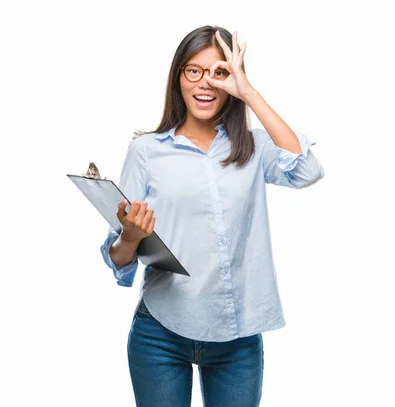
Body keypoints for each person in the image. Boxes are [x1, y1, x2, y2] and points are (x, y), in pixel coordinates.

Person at [99, 25, 324, 406]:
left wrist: (249, 92)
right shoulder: (146, 151)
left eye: (219, 72)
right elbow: (117, 258)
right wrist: (132, 237)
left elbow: (307, 171)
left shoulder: (254, 147)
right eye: (194, 71)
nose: (205, 83)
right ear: (178, 78)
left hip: (237, 337)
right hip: (161, 332)